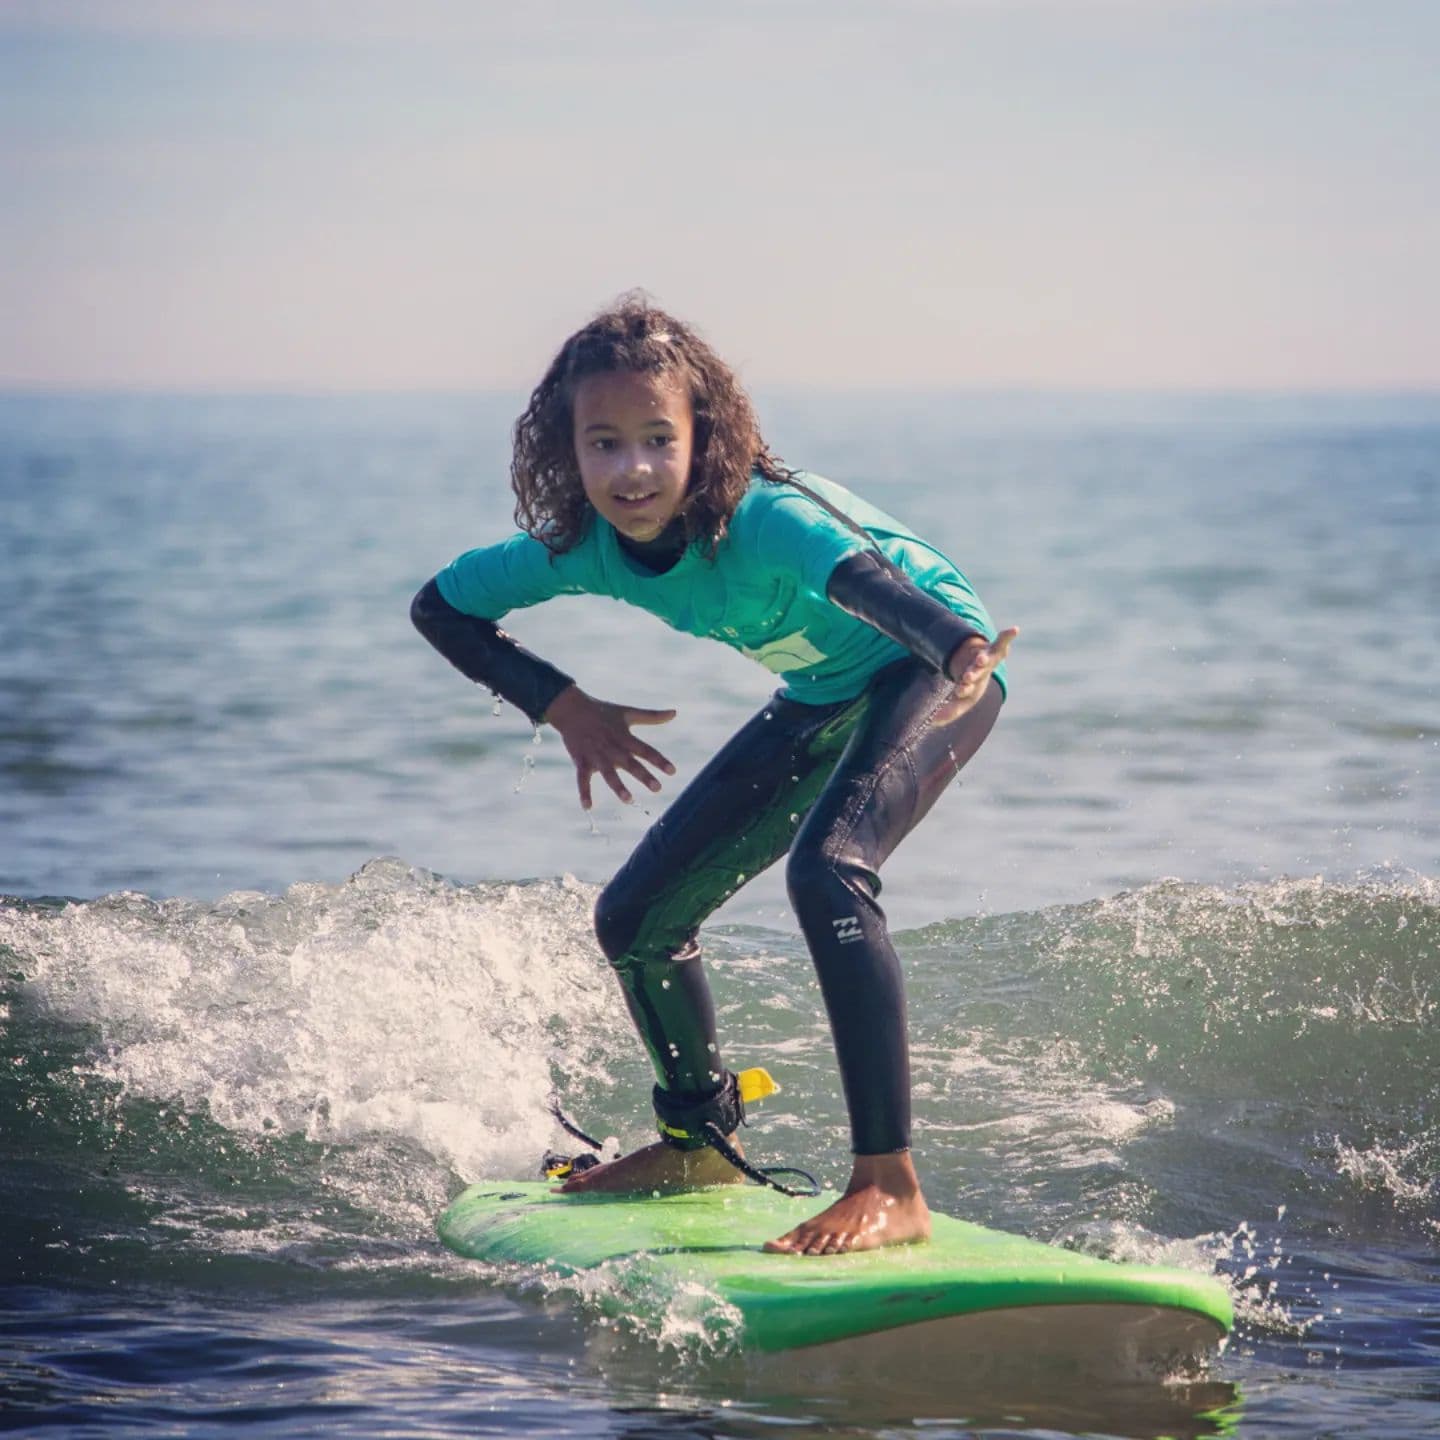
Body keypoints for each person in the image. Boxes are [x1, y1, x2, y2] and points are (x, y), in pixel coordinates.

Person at [412, 296, 1015, 1256]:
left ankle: (890, 1187)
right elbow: (441, 608)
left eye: (659, 438)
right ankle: (700, 1140)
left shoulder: (765, 518)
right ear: (566, 452)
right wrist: (562, 705)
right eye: (604, 444)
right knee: (636, 919)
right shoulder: (585, 549)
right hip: (824, 689)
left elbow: (869, 583)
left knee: (828, 871)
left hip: (928, 669)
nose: (633, 469)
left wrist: (957, 647)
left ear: (704, 438)